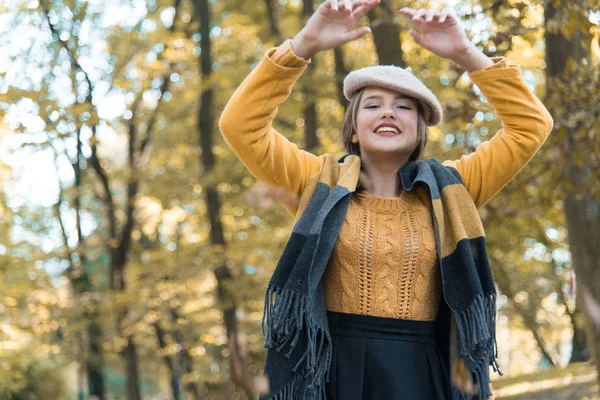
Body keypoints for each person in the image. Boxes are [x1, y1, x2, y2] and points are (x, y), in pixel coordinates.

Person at [219, 0, 553, 399]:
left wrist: (466, 54)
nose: (388, 113)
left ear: (419, 129)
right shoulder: (315, 183)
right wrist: (304, 45)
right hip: (329, 369)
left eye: (404, 107)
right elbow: (240, 126)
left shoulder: (452, 192)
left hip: (423, 373)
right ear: (354, 130)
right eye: (373, 105)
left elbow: (530, 126)